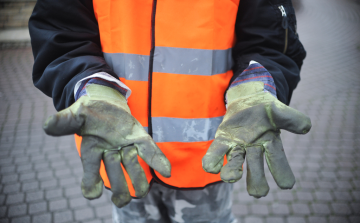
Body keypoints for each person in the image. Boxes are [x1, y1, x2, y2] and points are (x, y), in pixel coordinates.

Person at [29, 0, 311, 222]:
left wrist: (256, 81)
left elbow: (271, 40)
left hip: (206, 161)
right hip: (121, 156)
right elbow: (61, 33)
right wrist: (87, 82)